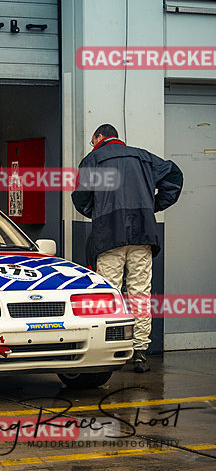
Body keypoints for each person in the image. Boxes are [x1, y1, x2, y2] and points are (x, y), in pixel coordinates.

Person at [72, 124, 183, 373]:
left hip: (108, 235)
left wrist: (98, 214)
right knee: (140, 293)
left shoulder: (93, 160)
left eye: (93, 141)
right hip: (143, 233)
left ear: (99, 137)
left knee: (109, 293)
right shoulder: (143, 157)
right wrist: (152, 206)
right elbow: (174, 176)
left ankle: (108, 349)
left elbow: (80, 198)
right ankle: (140, 352)